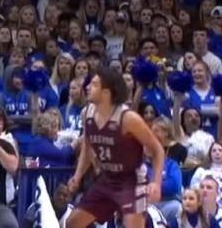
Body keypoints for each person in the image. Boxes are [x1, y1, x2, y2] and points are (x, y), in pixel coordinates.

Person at [66, 68, 165, 228]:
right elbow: (87, 148)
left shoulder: (128, 119)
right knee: (73, 223)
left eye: (94, 84)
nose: (88, 87)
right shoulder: (87, 113)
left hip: (131, 181)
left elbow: (157, 149)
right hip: (107, 179)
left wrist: (156, 183)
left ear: (106, 92)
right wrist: (77, 176)